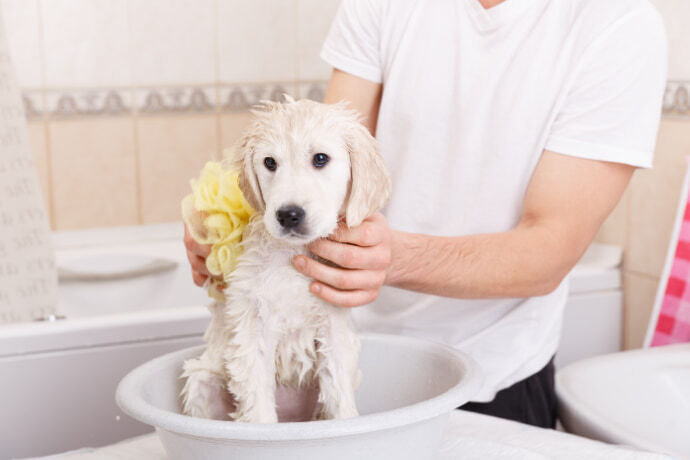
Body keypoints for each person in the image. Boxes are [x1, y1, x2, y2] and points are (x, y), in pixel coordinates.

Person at [185, 0, 667, 428]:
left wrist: (394, 260)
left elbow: (551, 249)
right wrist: (228, 226)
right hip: (344, 351)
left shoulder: (618, 24)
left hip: (492, 373)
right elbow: (326, 159)